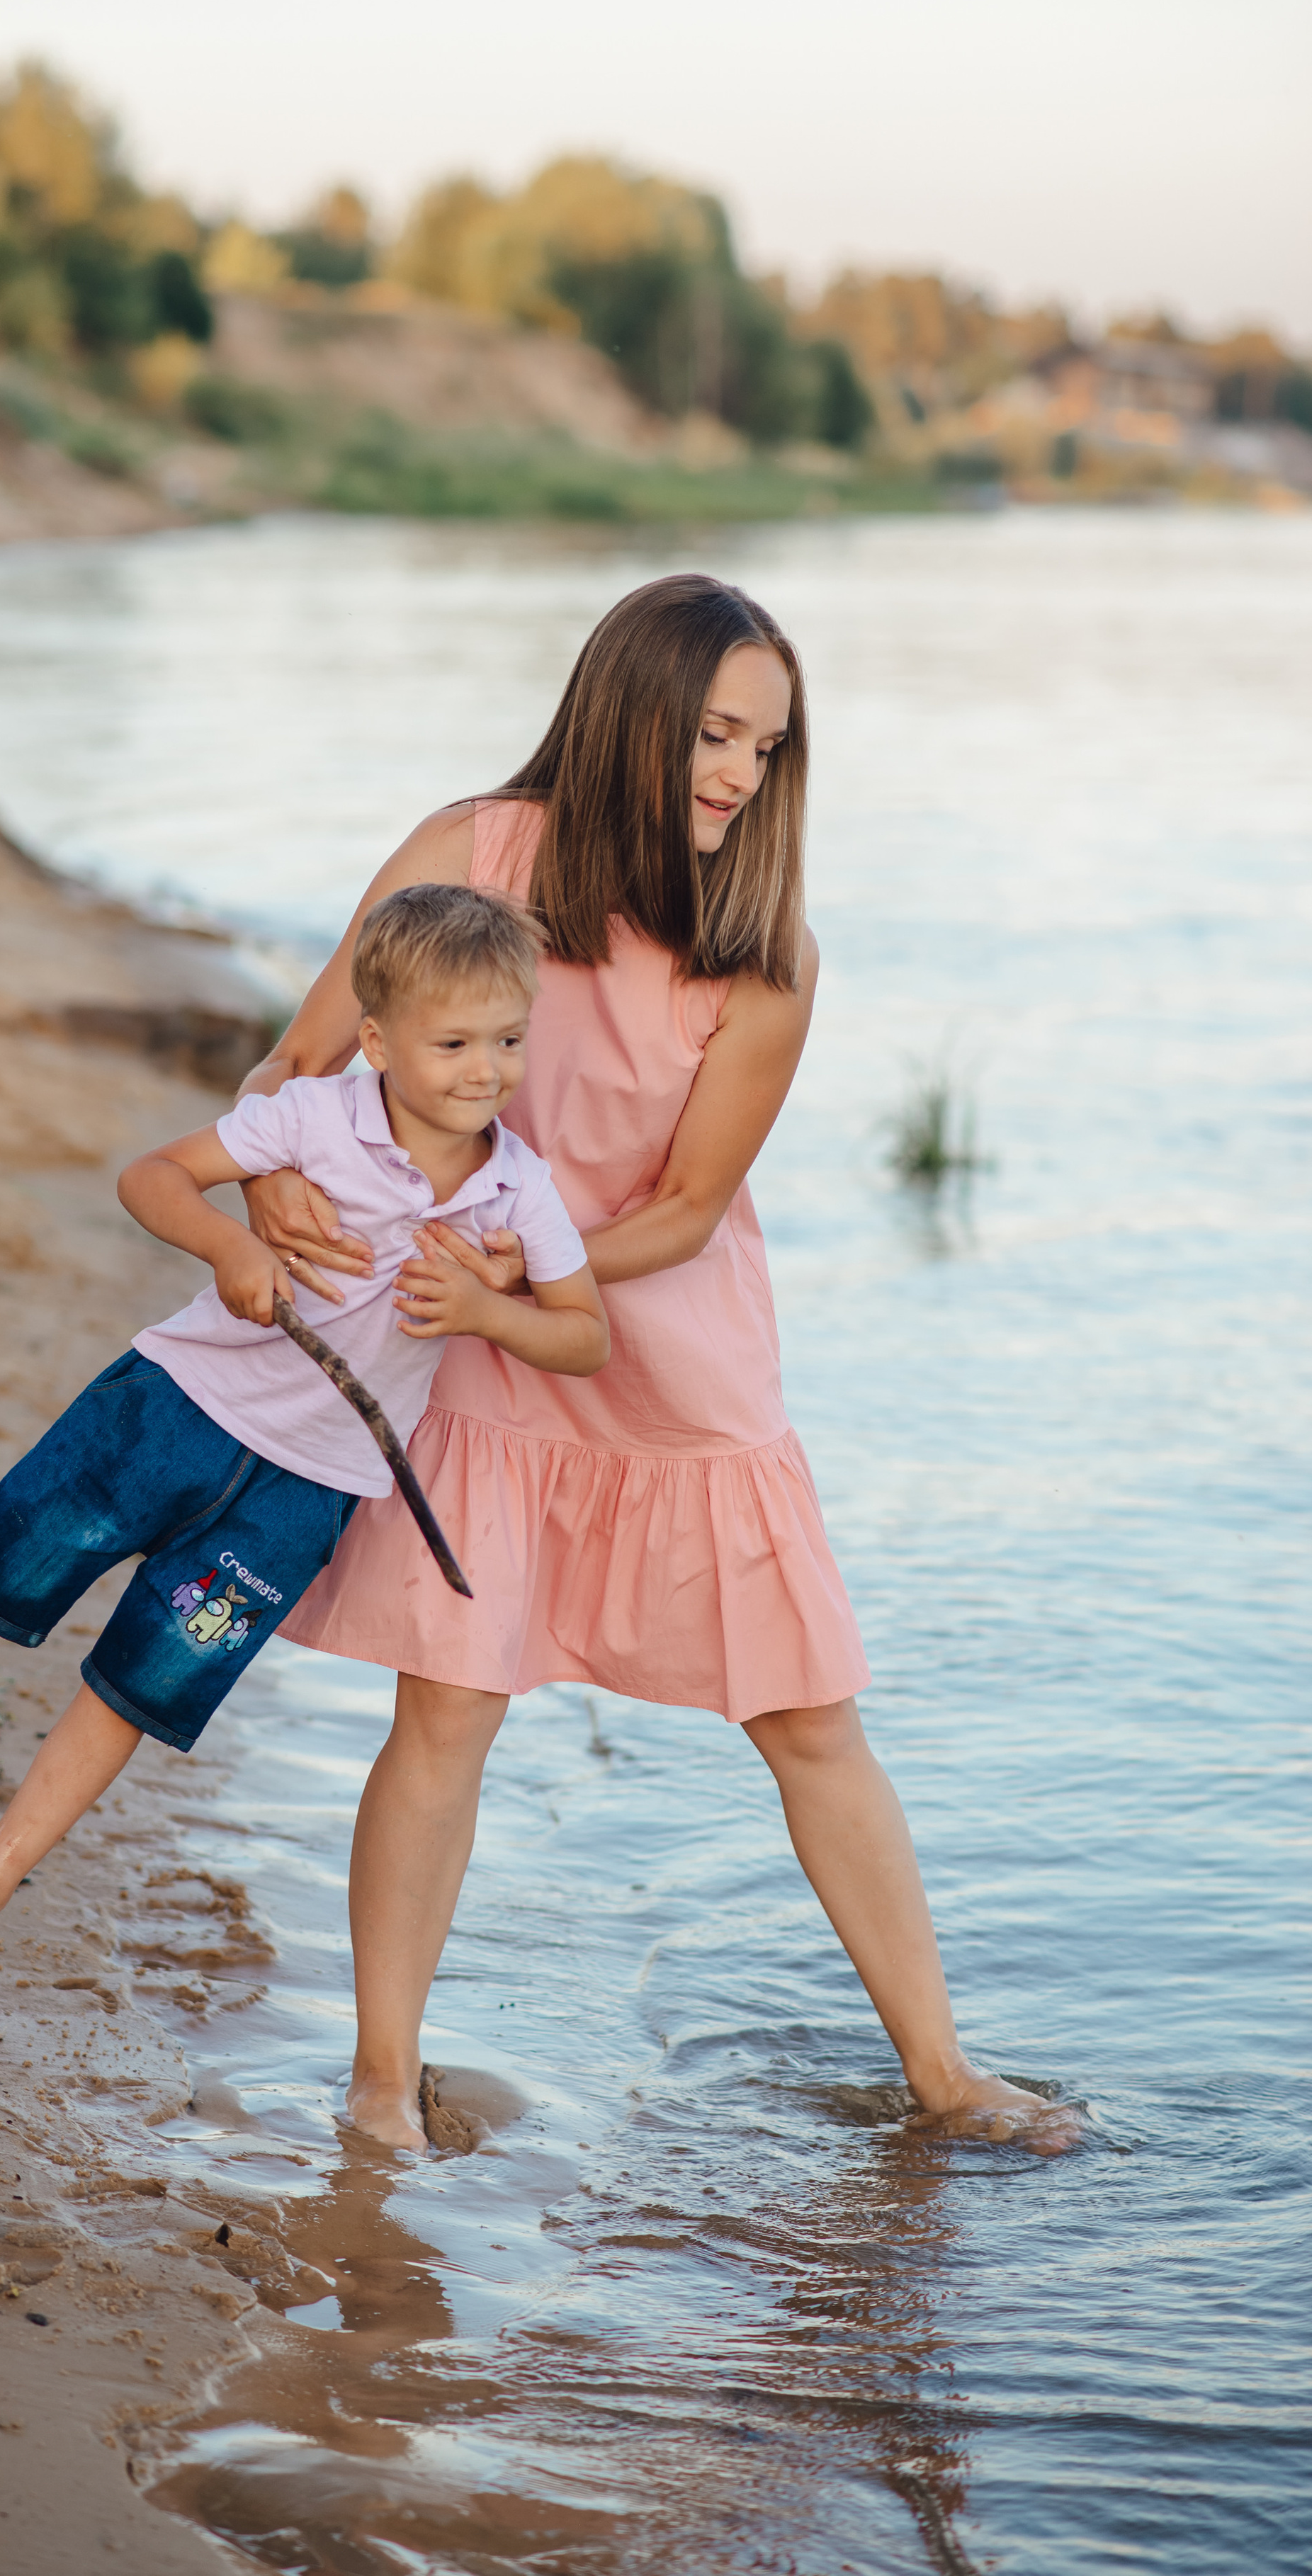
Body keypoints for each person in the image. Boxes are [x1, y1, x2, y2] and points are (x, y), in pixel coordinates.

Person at [243, 575, 1074, 2153]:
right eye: (712, 735)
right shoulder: (470, 852)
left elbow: (685, 1209)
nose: (737, 777)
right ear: (630, 712)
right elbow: (302, 1059)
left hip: (659, 1351)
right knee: (447, 1711)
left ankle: (945, 2075)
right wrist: (274, 1174)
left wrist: (517, 1263)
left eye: (765, 749)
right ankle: (376, 2081)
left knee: (809, 1715)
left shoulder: (762, 954)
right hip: (460, 1346)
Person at [0, 884, 608, 1993]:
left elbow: (585, 1335)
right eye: (454, 1041)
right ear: (378, 1040)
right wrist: (226, 1245)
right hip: (166, 1409)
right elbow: (151, 1176)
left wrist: (485, 1313)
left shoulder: (518, 1189)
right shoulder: (312, 1116)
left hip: (306, 1492)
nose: (485, 1069)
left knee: (135, 1685)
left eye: (508, 1039)